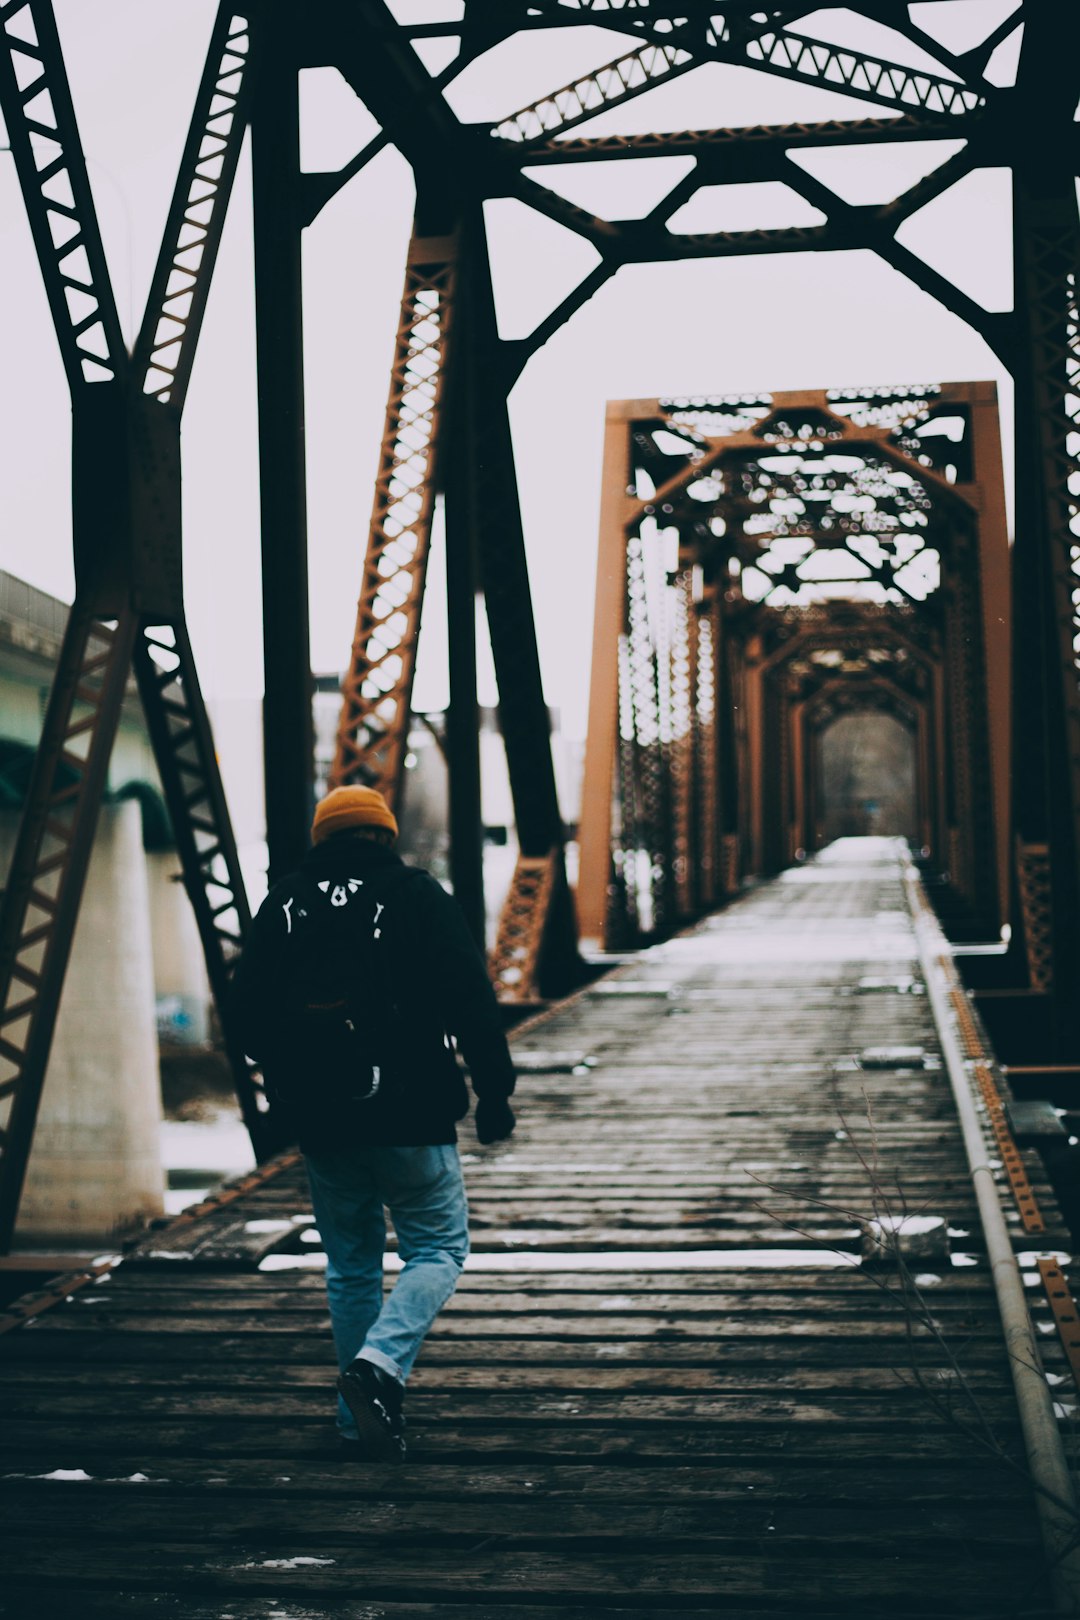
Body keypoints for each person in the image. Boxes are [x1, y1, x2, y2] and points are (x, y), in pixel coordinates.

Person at [231, 785, 516, 1462]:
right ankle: (379, 1367)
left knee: (351, 1266)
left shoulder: (286, 901)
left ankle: (356, 1423)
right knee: (438, 1250)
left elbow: (243, 1016)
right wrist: (495, 1093)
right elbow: (471, 1001)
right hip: (413, 1111)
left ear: (323, 837)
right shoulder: (417, 894)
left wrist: (296, 1074)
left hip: (323, 1120)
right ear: (385, 836)